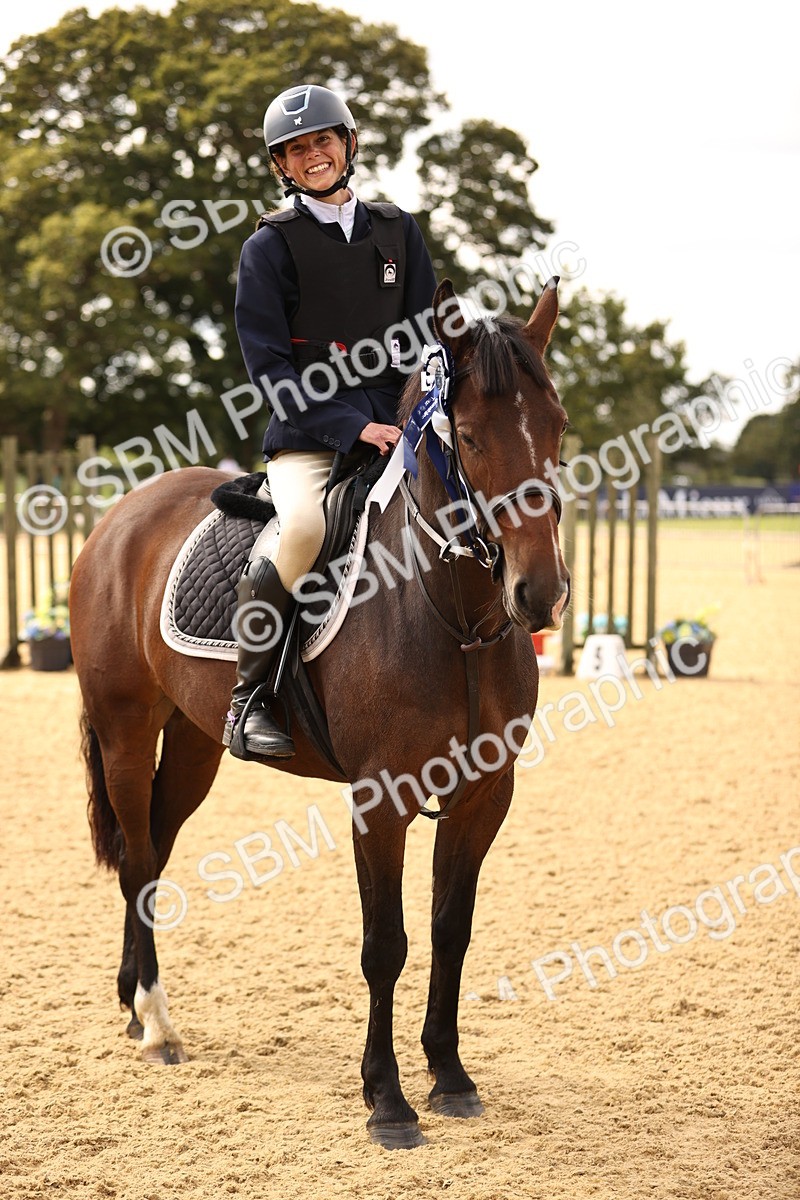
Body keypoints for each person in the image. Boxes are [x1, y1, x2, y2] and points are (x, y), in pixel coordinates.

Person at [223, 83, 437, 760]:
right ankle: (249, 698)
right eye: (296, 149)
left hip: (401, 424)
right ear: (281, 167)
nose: (312, 155)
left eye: (322, 140)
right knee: (306, 529)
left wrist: (423, 407)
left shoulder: (399, 230)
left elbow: (428, 331)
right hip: (311, 436)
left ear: (348, 144)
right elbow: (269, 370)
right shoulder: (270, 248)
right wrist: (350, 428)